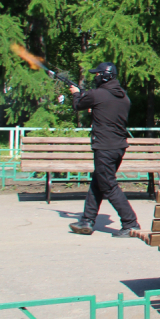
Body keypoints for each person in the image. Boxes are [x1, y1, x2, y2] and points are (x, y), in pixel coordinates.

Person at [67, 62, 140, 238]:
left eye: (97, 74)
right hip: (118, 147)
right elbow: (106, 111)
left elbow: (78, 106)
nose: (95, 77)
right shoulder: (123, 96)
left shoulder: (97, 94)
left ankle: (130, 223)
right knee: (99, 182)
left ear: (104, 76)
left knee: (108, 185)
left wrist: (76, 94)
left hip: (105, 147)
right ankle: (87, 220)